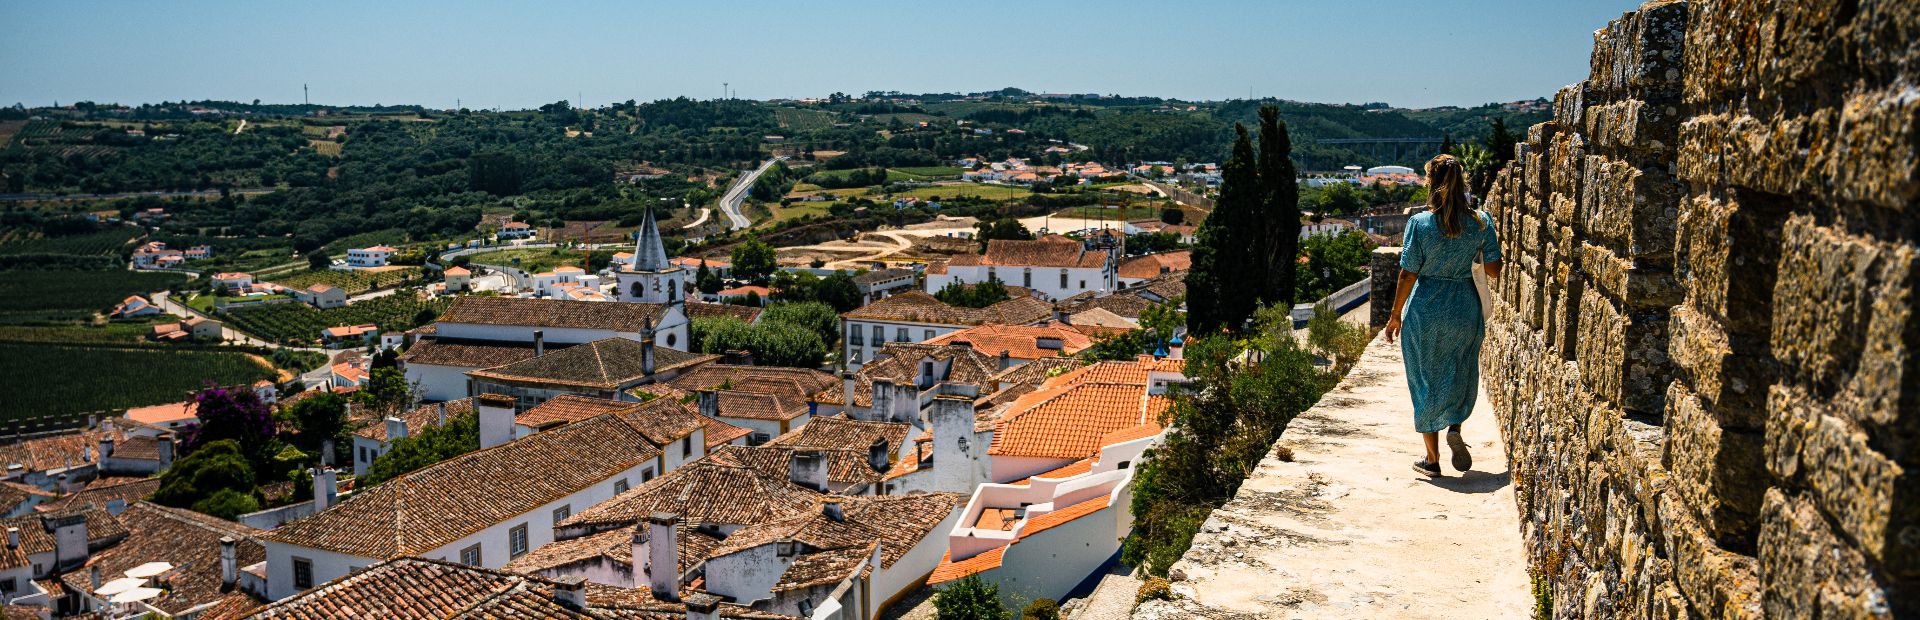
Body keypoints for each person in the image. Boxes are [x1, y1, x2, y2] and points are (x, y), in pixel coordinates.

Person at [1384, 154, 1502, 477]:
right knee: (1459, 370)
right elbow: (1493, 270)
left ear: (1431, 184)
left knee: (1425, 380)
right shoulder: (1481, 222)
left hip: (1425, 310)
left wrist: (1395, 316)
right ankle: (1455, 426)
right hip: (1464, 308)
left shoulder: (1420, 225)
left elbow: (1407, 274)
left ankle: (1432, 459)